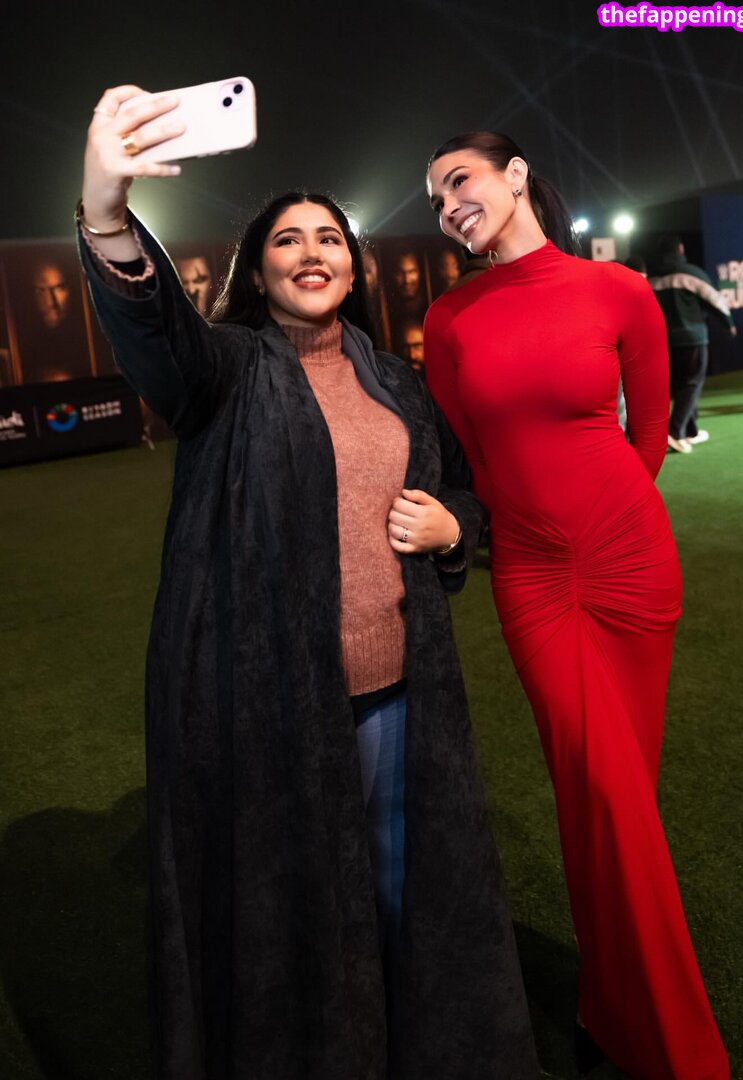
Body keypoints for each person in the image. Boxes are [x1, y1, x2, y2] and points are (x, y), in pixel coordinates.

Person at [77, 89, 539, 1080]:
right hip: (273, 713)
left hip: (398, 700)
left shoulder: (395, 380)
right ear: (258, 270)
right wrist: (108, 213)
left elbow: (465, 487)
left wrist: (454, 526)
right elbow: (157, 331)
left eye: (330, 237)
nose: (312, 251)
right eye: (288, 239)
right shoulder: (226, 371)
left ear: (353, 264)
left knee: (400, 895)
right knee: (299, 921)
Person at [423, 130, 729, 1080]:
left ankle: (607, 1006)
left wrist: (610, 521)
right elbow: (468, 457)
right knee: (601, 790)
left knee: (612, 800)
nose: (448, 207)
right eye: (435, 201)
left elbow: (650, 429)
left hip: (631, 565)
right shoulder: (450, 319)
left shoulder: (619, 291)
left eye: (459, 181)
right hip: (534, 579)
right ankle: (673, 1049)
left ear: (515, 176)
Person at [647, 235, 735, 454]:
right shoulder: (690, 272)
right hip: (692, 337)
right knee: (692, 383)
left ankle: (690, 431)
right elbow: (715, 300)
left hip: (663, 340)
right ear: (680, 248)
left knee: (679, 385)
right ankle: (675, 432)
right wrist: (728, 323)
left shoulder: (653, 277)